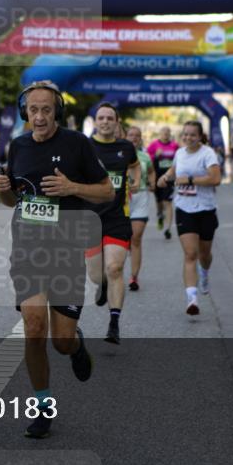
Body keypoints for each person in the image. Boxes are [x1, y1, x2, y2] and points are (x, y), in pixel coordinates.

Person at [0, 81, 113, 438]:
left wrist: (73, 188)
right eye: (34, 110)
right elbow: (15, 201)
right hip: (27, 249)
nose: (40, 117)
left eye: (47, 110)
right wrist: (3, 193)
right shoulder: (18, 146)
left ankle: (76, 346)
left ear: (56, 111)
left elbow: (107, 190)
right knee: (33, 326)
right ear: (25, 113)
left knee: (61, 340)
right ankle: (42, 405)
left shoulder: (77, 144)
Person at [86, 103, 139, 344]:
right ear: (95, 122)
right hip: (90, 218)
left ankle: (114, 323)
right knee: (97, 276)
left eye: (109, 118)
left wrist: (135, 182)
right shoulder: (84, 146)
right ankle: (103, 284)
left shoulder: (126, 147)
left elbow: (135, 165)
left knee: (115, 268)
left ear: (117, 122)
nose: (105, 121)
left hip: (117, 217)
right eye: (101, 118)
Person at [157, 121, 222, 315]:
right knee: (190, 254)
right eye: (185, 134)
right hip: (184, 208)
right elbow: (175, 170)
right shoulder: (180, 153)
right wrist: (165, 177)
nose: (188, 138)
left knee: (204, 255)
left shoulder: (208, 154)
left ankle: (205, 273)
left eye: (192, 135)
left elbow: (216, 179)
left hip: (206, 209)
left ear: (200, 136)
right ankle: (192, 299)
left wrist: (191, 180)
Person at [125, 126, 154, 292]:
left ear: (140, 138)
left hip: (140, 197)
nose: (134, 138)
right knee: (123, 240)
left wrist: (151, 182)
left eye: (137, 135)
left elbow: (151, 172)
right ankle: (113, 271)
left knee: (135, 238)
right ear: (125, 136)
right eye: (131, 135)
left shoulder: (144, 156)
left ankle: (134, 277)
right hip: (121, 200)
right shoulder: (118, 153)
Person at [147, 127, 178, 239]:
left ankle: (168, 229)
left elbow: (179, 160)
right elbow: (147, 160)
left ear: (170, 134)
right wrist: (155, 155)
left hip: (169, 179)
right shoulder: (154, 145)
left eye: (167, 133)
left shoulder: (175, 145)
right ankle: (160, 215)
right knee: (159, 201)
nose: (165, 134)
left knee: (168, 202)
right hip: (157, 177)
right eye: (163, 133)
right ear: (160, 134)